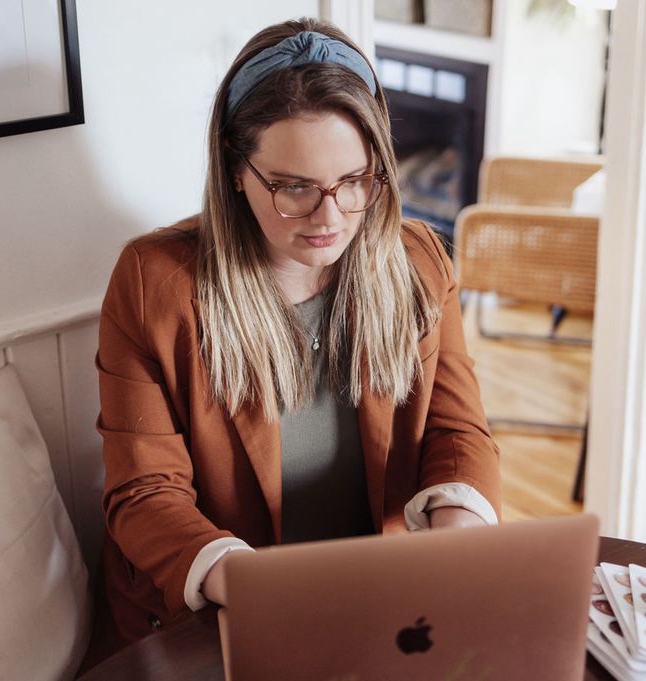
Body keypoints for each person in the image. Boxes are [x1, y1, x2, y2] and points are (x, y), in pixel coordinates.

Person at [95, 16, 501, 652]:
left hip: (383, 604)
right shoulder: (154, 283)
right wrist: (258, 587)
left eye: (355, 181)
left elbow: (456, 431)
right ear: (235, 167)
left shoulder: (419, 262)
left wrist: (457, 533)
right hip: (220, 618)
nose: (330, 218)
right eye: (294, 188)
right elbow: (144, 493)